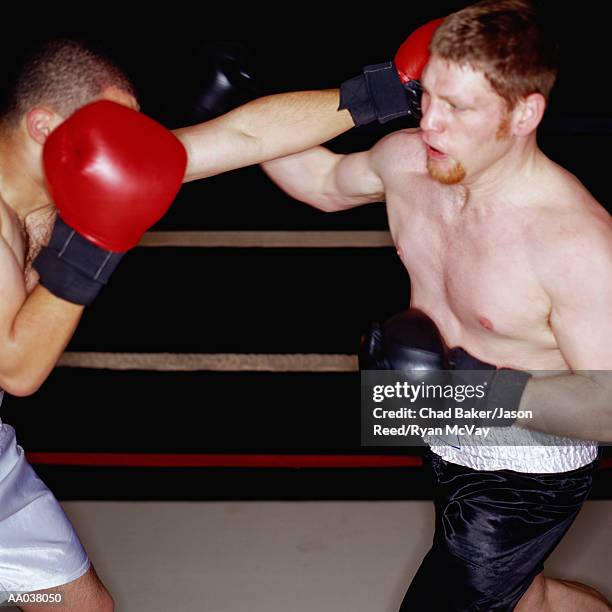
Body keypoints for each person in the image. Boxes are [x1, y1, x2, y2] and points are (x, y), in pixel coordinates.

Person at [261, 1, 612, 609]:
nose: (432, 125)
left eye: (459, 108)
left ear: (525, 112)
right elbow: (320, 181)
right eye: (428, 98)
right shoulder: (410, 161)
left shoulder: (575, 242)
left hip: (527, 470)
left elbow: (607, 409)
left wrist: (475, 386)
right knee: (522, 598)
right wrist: (233, 111)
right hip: (437, 423)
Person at [0, 37, 362, 609]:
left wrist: (386, 91)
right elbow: (17, 368)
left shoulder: (68, 177)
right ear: (44, 126)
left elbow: (244, 136)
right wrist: (95, 239)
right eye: (111, 132)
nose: (121, 151)